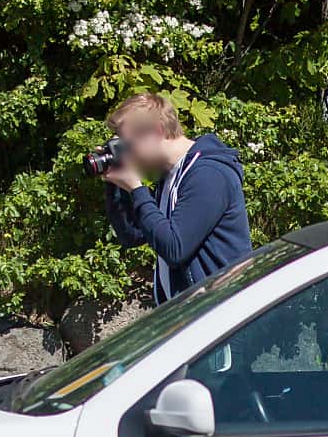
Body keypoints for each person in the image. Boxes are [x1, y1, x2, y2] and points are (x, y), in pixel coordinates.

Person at [101, 92, 251, 303]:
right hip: (192, 314)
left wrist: (136, 187)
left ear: (157, 131)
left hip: (222, 315)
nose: (128, 154)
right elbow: (133, 235)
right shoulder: (172, 173)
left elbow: (174, 248)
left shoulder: (208, 174)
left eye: (128, 145)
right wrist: (115, 185)